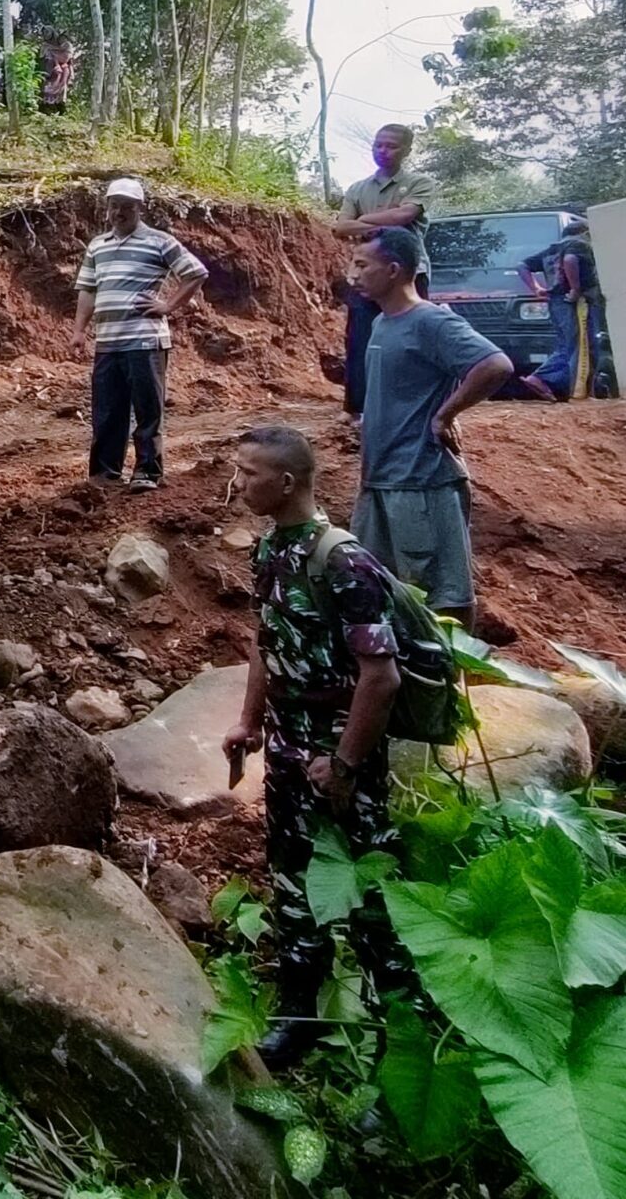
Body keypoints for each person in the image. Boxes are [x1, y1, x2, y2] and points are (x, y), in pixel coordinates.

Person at [220, 423, 421, 1070]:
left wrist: (344, 764)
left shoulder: (344, 561)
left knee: (369, 897)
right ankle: (299, 1020)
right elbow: (265, 640)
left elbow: (381, 676)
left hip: (338, 751)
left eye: (248, 473)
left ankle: (402, 1045)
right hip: (287, 743)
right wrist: (249, 722)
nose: (237, 482)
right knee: (292, 881)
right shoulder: (271, 550)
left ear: (286, 482)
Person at [350, 226, 515, 634]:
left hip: (422, 479)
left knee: (445, 592)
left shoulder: (431, 321)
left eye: (361, 264)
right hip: (381, 481)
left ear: (393, 270)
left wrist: (445, 415)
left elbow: (495, 365)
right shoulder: (382, 323)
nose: (352, 273)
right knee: (378, 587)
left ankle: (454, 679)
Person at [73, 178, 208, 490]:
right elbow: (88, 290)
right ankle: (105, 475)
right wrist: (79, 330)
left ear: (139, 208)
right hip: (107, 342)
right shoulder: (98, 245)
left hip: (145, 341)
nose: (119, 212)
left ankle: (147, 472)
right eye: (114, 205)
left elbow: (196, 272)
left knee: (148, 410)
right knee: (107, 411)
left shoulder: (159, 241)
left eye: (127, 206)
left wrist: (168, 305)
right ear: (107, 208)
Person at [329, 125, 436, 417]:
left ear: (407, 150)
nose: (383, 151)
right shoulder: (357, 188)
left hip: (409, 272)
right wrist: (384, 221)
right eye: (378, 145)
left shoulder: (420, 182)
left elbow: (406, 215)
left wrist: (362, 219)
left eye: (391, 146)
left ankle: (413, 404)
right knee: (360, 336)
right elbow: (340, 227)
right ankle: (357, 407)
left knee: (411, 337)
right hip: (366, 273)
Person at [516, 216, 600, 400]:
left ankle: (541, 378)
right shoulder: (578, 244)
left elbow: (522, 266)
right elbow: (570, 260)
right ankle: (579, 393)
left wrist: (536, 288)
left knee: (566, 345)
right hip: (574, 302)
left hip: (555, 301)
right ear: (584, 233)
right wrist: (576, 289)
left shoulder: (552, 249)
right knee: (582, 345)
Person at [38, 31, 78, 114]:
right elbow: (44, 58)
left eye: (63, 38)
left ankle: (59, 107)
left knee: (61, 89)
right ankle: (47, 107)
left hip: (62, 71)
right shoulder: (47, 46)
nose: (61, 40)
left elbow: (66, 57)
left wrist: (53, 53)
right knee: (48, 89)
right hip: (51, 73)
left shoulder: (66, 45)